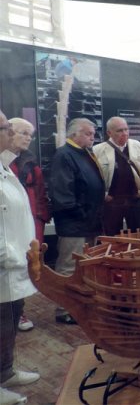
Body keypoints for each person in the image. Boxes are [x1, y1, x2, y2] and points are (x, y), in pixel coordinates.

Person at [0, 110, 41, 405]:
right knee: (0, 325)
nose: (10, 133)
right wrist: (10, 257)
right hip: (6, 264)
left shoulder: (6, 167)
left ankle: (5, 372)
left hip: (14, 264)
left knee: (10, 323)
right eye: (5, 128)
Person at [50, 118, 104, 325]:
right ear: (75, 134)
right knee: (69, 268)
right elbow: (63, 194)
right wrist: (81, 213)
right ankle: (64, 310)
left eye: (93, 134)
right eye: (88, 134)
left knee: (84, 267)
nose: (93, 137)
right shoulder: (64, 155)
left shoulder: (82, 153)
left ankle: (79, 305)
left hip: (88, 222)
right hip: (75, 224)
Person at [0, 118, 50, 332]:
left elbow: (39, 193)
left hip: (29, 224)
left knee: (28, 269)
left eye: (31, 134)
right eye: (22, 132)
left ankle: (19, 310)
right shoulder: (7, 162)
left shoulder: (28, 161)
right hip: (7, 244)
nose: (27, 138)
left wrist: (40, 217)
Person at [93, 117, 140, 236]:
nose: (124, 133)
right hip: (112, 202)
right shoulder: (98, 150)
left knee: (138, 236)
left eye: (126, 129)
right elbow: (93, 178)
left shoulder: (138, 146)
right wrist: (103, 195)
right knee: (112, 236)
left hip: (135, 200)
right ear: (109, 132)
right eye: (119, 130)